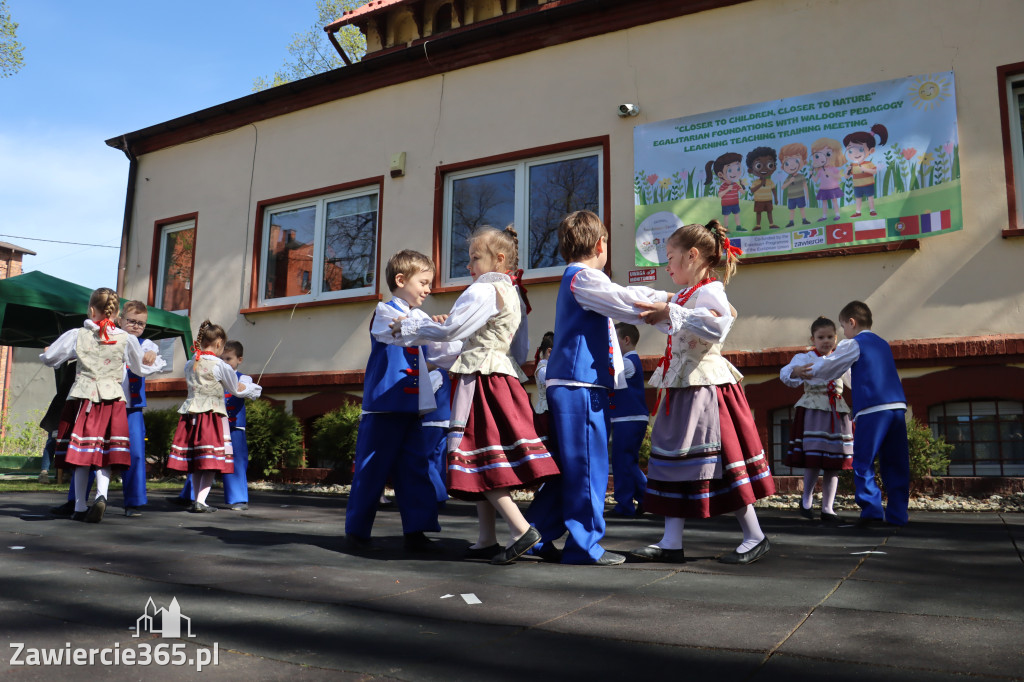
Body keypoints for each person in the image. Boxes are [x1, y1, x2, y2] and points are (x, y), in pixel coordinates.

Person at [392, 227, 559, 565]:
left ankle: (521, 529)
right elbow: (520, 347)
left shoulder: (484, 288)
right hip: (503, 375)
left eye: (475, 258)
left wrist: (410, 327)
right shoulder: (513, 292)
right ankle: (487, 537)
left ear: (499, 259)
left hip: (481, 377)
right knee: (488, 452)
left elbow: (453, 329)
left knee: (475, 451)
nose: (469, 265)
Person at [525, 210, 670, 566]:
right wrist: (673, 303)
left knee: (569, 467)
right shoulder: (585, 278)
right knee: (587, 466)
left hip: (575, 383)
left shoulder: (580, 279)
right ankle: (584, 545)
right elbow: (626, 302)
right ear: (601, 244)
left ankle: (535, 535)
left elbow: (622, 294)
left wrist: (670, 297)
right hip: (580, 385)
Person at [627, 221, 776, 565]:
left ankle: (755, 535)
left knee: (719, 462)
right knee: (675, 461)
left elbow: (719, 324)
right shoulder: (686, 295)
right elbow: (678, 321)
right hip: (683, 388)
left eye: (670, 257)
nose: (667, 266)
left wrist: (672, 312)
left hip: (705, 389)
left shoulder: (710, 290)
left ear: (692, 255)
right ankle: (670, 541)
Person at [345, 250, 455, 552]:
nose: (428, 289)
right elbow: (402, 334)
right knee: (372, 468)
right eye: (423, 282)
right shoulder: (384, 311)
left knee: (415, 468)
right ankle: (357, 530)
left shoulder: (420, 318)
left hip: (412, 409)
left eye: (430, 283)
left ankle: (417, 529)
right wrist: (435, 329)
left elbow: (440, 354)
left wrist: (449, 333)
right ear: (401, 280)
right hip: (383, 407)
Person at [39, 288, 152, 523]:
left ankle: (80, 506)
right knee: (105, 452)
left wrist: (47, 353)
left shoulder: (77, 335)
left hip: (84, 399)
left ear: (91, 310)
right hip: (113, 401)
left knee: (83, 454)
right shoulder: (127, 339)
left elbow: (51, 359)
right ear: (117, 313)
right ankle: (101, 495)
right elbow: (140, 369)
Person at [793, 300, 909, 527]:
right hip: (896, 406)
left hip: (872, 408)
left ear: (852, 322)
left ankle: (872, 511)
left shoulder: (853, 343)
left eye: (843, 326)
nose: (843, 332)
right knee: (896, 462)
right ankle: (898, 515)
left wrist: (800, 370)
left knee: (863, 460)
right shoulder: (882, 344)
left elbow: (830, 367)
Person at [779, 316, 853, 522]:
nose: (826, 341)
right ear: (813, 339)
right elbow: (785, 374)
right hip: (813, 410)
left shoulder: (840, 358)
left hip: (836, 411)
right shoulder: (804, 358)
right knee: (813, 460)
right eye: (821, 337)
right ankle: (806, 500)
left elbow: (853, 380)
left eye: (830, 337)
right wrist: (796, 371)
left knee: (834, 463)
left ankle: (828, 508)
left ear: (836, 338)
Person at [166, 320, 242, 513]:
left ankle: (197, 499)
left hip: (191, 416)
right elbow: (234, 388)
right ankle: (201, 501)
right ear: (219, 343)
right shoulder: (219, 365)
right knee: (209, 461)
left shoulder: (191, 362)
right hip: (211, 416)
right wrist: (250, 389)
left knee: (197, 460)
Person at [118, 301, 166, 517]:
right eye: (131, 321)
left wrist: (151, 355)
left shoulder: (146, 344)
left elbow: (151, 352)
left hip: (133, 408)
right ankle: (78, 500)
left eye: (141, 323)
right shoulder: (112, 339)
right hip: (108, 403)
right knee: (95, 451)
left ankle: (134, 502)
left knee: (136, 453)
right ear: (120, 320)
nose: (136, 326)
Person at [607, 322, 648, 518]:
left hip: (629, 418)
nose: (612, 344)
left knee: (622, 461)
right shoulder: (628, 361)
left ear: (626, 340)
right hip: (627, 417)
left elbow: (608, 376)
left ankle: (626, 504)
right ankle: (647, 498)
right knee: (626, 461)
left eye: (614, 340)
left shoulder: (628, 362)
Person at [220, 340, 263, 510]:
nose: (224, 363)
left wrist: (242, 387)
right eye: (221, 359)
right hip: (214, 425)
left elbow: (251, 391)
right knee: (204, 457)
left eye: (228, 359)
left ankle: (238, 498)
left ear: (239, 360)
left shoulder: (243, 378)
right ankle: (191, 495)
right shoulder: (215, 376)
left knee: (236, 460)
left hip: (234, 426)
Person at [422, 366, 452, 508]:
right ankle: (440, 494)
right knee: (439, 459)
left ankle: (438, 494)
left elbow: (424, 396)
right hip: (443, 422)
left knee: (425, 459)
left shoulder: (435, 374)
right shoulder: (444, 374)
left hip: (431, 422)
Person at [843, 124, 888, 218]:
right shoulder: (852, 165)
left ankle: (872, 210)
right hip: (857, 186)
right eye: (850, 151)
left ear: (871, 151)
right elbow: (846, 177)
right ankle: (858, 212)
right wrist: (847, 171)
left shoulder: (868, 163)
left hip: (868, 184)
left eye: (860, 149)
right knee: (858, 199)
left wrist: (865, 169)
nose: (855, 153)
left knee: (870, 198)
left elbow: (874, 172)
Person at [811, 138, 845, 222]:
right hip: (823, 189)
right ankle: (824, 216)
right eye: (818, 156)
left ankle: (837, 214)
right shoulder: (820, 170)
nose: (824, 158)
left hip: (833, 188)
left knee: (834, 201)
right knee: (824, 203)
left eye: (828, 154)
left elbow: (839, 176)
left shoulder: (833, 168)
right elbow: (815, 180)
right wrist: (811, 175)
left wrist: (831, 174)